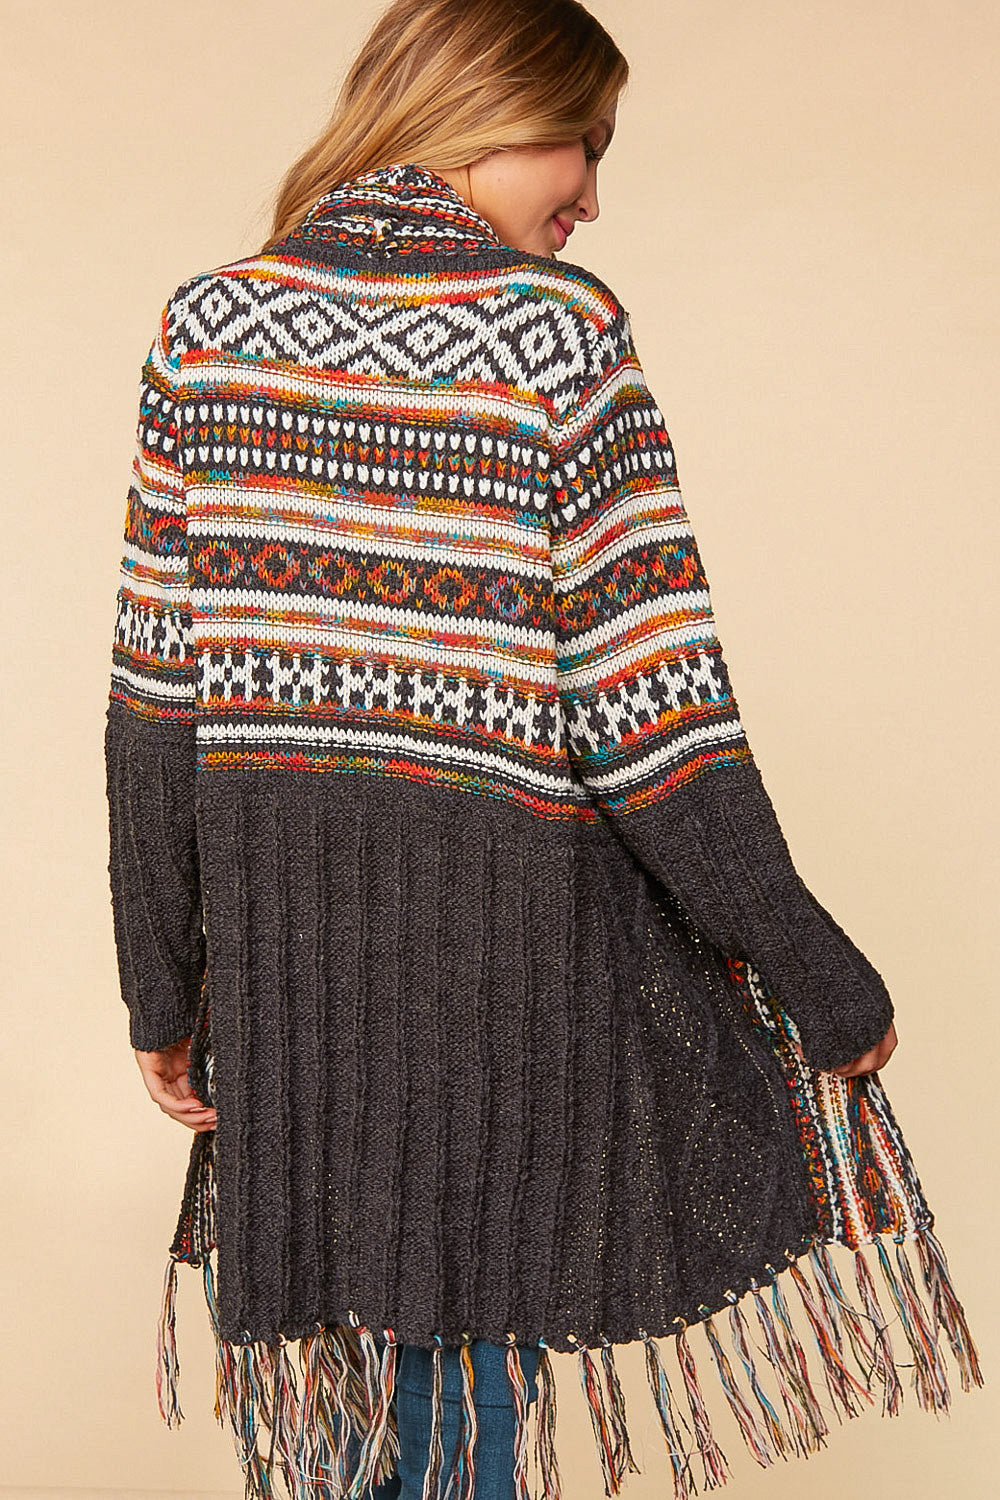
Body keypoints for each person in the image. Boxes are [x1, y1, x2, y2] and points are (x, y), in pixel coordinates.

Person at [105, 2, 982, 1497]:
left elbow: (154, 702)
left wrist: (162, 978)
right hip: (500, 999)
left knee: (351, 1417)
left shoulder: (209, 327)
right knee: (459, 1408)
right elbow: (654, 721)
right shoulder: (554, 333)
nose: (590, 196)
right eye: (586, 142)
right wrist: (819, 974)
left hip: (291, 994)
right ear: (491, 112)